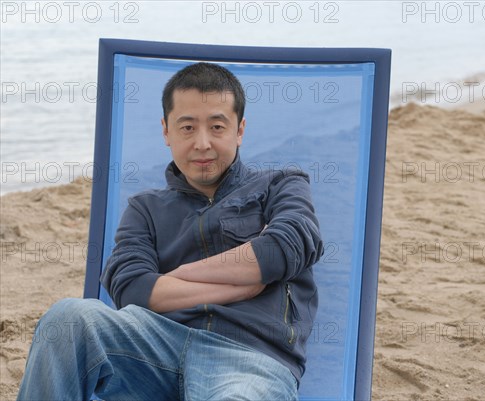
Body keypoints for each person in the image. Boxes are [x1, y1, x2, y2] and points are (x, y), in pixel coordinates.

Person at [17, 62, 324, 400]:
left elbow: (286, 246)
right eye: (187, 127)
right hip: (153, 347)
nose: (202, 143)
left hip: (249, 360)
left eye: (217, 127)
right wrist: (241, 284)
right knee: (68, 320)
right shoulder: (144, 208)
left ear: (240, 130)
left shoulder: (280, 184)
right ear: (166, 131)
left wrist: (175, 278)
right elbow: (131, 287)